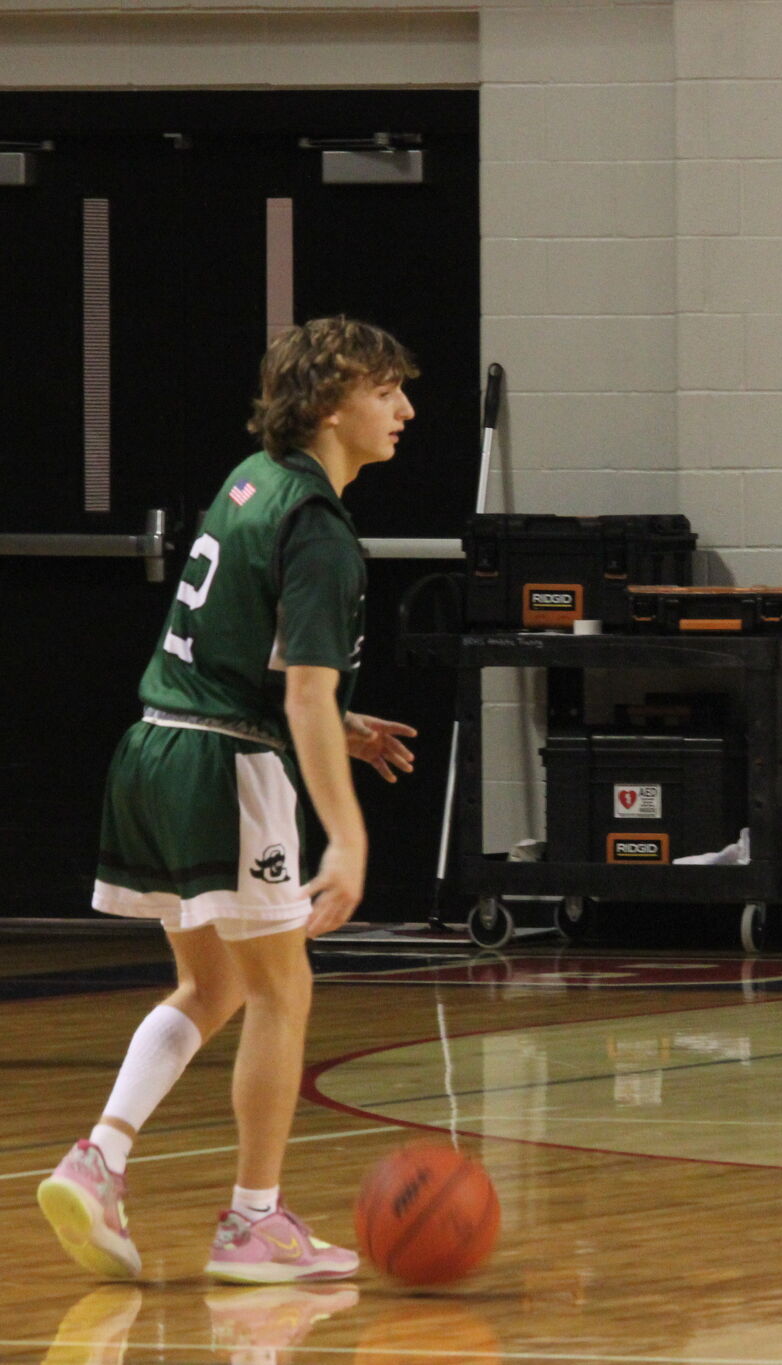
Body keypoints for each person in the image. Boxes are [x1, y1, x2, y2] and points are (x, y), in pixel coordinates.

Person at [37, 317, 420, 1282]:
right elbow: (301, 692)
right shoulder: (321, 527)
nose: (405, 410)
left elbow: (262, 659)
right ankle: (254, 1222)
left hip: (156, 745)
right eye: (385, 392)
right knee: (284, 988)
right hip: (224, 767)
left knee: (214, 986)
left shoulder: (251, 481)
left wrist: (344, 720)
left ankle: (100, 1158)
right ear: (333, 405)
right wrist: (347, 837)